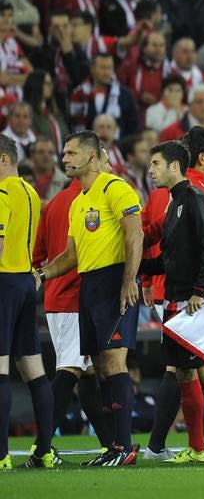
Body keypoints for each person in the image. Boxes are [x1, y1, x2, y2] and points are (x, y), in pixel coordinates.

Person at [36, 131, 144, 466]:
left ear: (94, 157)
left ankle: (124, 447)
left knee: (113, 363)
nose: (64, 159)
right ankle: (114, 446)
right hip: (90, 285)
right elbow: (71, 254)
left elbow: (135, 233)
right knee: (98, 368)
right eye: (64, 153)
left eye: (72, 153)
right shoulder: (78, 202)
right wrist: (43, 275)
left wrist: (128, 280)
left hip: (114, 281)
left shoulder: (115, 187)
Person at [137, 142, 204, 464]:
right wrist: (136, 266)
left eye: (156, 163)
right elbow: (169, 260)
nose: (151, 170)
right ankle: (197, 447)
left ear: (174, 166)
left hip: (194, 301)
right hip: (176, 301)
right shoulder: (174, 204)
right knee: (184, 374)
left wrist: (202, 290)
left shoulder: (195, 200)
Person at [0, 136, 56, 469]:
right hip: (25, 281)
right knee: (33, 368)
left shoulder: (3, 193)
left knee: (1, 369)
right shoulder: (32, 193)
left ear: (4, 159)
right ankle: (45, 450)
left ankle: (2, 455)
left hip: (4, 281)